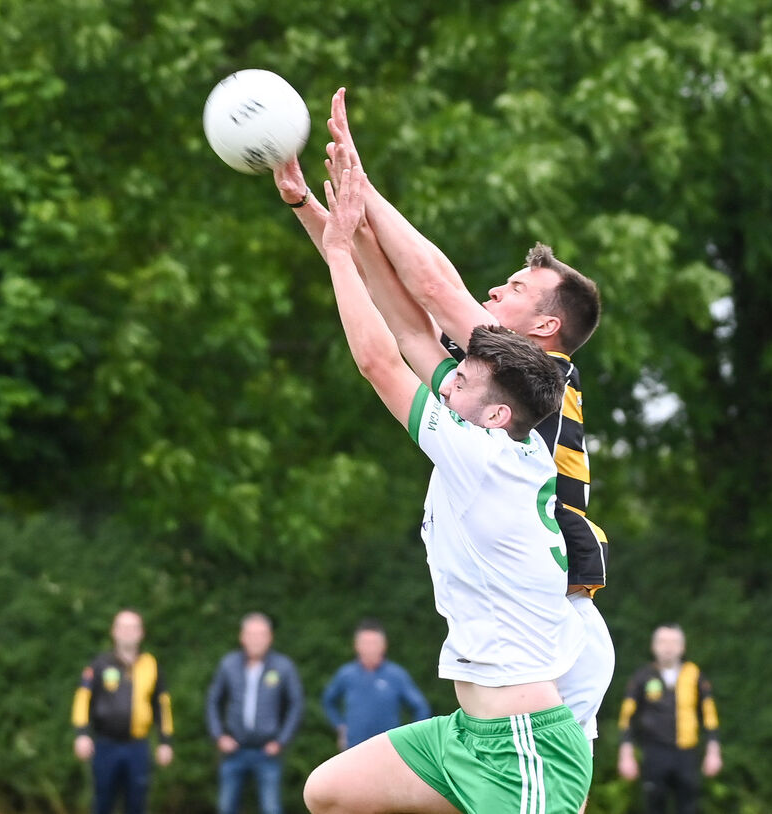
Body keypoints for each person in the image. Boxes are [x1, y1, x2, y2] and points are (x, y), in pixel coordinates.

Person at [275, 88, 615, 754]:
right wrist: (315, 209)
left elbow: (432, 287)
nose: (494, 291)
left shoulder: (542, 379)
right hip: (525, 633)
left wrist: (364, 187)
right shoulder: (487, 388)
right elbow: (402, 320)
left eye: (515, 289)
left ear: (545, 327)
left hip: (554, 634)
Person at [71, 608, 174, 814]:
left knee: (137, 804)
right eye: (123, 627)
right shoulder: (100, 665)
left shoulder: (151, 665)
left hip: (137, 747)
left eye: (133, 627)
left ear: (141, 633)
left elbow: (161, 704)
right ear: (114, 631)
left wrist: (165, 742)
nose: (128, 632)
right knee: (102, 803)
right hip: (105, 745)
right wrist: (81, 734)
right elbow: (83, 699)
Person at [617, 624, 722, 814]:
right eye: (663, 642)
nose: (668, 647)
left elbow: (709, 714)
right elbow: (627, 717)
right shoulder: (643, 676)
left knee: (689, 806)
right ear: (653, 646)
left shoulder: (694, 674)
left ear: (683, 647)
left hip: (687, 753)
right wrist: (626, 753)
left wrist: (713, 750)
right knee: (654, 804)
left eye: (674, 642)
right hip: (655, 752)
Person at [205, 612, 304, 814]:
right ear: (242, 637)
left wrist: (281, 741)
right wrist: (218, 735)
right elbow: (213, 701)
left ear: (270, 637)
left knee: (271, 807)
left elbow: (296, 704)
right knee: (226, 807)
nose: (256, 639)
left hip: (267, 751)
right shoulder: (228, 664)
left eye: (261, 634)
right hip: (234, 749)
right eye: (251, 634)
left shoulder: (283, 667)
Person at [322, 619, 432, 750]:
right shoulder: (346, 674)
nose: (370, 648)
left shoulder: (396, 675)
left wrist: (410, 739)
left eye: (374, 643)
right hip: (353, 749)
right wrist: (340, 727)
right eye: (365, 643)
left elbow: (421, 707)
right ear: (356, 645)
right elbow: (328, 701)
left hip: (388, 750)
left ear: (384, 646)